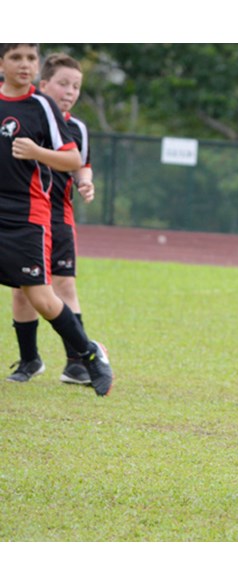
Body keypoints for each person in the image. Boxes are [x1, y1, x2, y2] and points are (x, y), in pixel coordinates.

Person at [0, 43, 113, 396]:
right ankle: (30, 359)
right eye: (16, 57)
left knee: (42, 297)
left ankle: (88, 355)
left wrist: (36, 152)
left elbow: (74, 159)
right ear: (1, 63)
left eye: (30, 58)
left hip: (27, 217)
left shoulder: (41, 106)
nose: (25, 64)